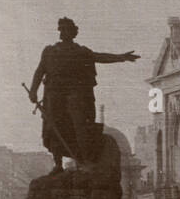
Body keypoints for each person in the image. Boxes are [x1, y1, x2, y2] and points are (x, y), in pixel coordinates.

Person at [28, 17, 139, 172]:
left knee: (80, 126)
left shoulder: (80, 52)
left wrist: (121, 57)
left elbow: (100, 57)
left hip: (75, 95)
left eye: (67, 29)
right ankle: (58, 164)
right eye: (61, 29)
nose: (63, 32)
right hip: (55, 96)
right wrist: (33, 90)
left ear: (73, 32)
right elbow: (40, 71)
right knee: (54, 128)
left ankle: (85, 159)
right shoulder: (49, 51)